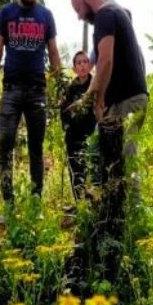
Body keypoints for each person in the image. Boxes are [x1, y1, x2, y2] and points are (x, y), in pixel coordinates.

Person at [69, 0, 148, 282]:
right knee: (114, 161)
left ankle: (132, 227)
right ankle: (118, 219)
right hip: (129, 98)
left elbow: (107, 59)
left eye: (78, 8)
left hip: (125, 100)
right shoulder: (116, 11)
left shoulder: (104, 14)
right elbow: (102, 65)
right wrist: (86, 99)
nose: (79, 16)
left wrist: (96, 98)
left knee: (124, 163)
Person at [0, 0, 62, 203]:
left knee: (36, 148)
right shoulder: (6, 14)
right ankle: (8, 204)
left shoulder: (45, 15)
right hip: (10, 90)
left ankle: (35, 203)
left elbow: (53, 53)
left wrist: (60, 87)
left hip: (37, 91)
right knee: (5, 144)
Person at [60, 51, 96, 202]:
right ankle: (79, 203)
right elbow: (64, 111)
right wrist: (67, 126)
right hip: (73, 135)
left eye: (85, 62)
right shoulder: (70, 88)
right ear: (74, 68)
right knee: (75, 169)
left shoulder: (95, 84)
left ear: (89, 65)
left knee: (93, 168)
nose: (82, 65)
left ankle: (93, 202)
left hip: (91, 134)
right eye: (78, 63)